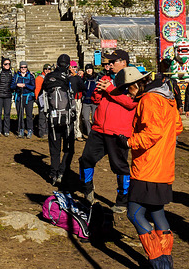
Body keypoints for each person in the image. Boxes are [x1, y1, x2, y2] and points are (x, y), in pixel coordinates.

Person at [117, 67, 184, 269]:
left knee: (135, 214)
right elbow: (177, 127)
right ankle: (166, 265)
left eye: (128, 90)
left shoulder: (149, 100)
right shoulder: (167, 97)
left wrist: (128, 142)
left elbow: (152, 133)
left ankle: (159, 268)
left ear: (136, 84)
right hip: (164, 166)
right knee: (157, 213)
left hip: (147, 168)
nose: (129, 95)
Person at [77, 49, 138, 212]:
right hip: (98, 128)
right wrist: (98, 92)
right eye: (108, 63)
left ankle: (122, 201)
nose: (109, 65)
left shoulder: (134, 79)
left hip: (118, 132)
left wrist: (110, 90)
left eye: (113, 62)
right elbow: (98, 99)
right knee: (85, 160)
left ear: (123, 62)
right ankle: (87, 190)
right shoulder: (105, 78)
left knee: (120, 167)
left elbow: (132, 103)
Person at [41, 54, 81, 185]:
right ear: (69, 65)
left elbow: (41, 96)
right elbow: (83, 88)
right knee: (69, 148)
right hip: (68, 118)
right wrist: (74, 75)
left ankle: (53, 174)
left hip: (52, 118)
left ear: (57, 64)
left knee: (54, 148)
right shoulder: (71, 78)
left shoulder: (48, 77)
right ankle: (63, 171)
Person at [11, 61, 35, 138]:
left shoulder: (30, 76)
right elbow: (11, 86)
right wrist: (17, 85)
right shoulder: (16, 76)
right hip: (19, 97)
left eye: (25, 67)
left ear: (27, 68)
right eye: (22, 67)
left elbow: (33, 87)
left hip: (28, 97)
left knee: (29, 115)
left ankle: (29, 130)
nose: (23, 69)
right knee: (20, 114)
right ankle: (21, 129)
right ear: (20, 68)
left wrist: (25, 85)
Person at [0, 58, 14, 136]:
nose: (7, 65)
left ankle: (6, 130)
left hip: (8, 95)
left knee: (7, 114)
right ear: (2, 65)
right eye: (5, 64)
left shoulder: (12, 72)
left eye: (8, 64)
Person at [79, 64, 99, 139]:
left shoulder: (97, 77)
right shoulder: (83, 79)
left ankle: (95, 134)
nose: (88, 71)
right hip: (86, 101)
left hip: (94, 101)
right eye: (87, 69)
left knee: (94, 119)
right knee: (85, 118)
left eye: (89, 69)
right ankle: (89, 133)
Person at [35, 64, 51, 139]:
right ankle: (42, 132)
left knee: (49, 116)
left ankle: (48, 132)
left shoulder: (52, 77)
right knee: (42, 116)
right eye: (46, 69)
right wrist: (37, 98)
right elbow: (37, 89)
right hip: (42, 98)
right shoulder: (39, 78)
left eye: (49, 69)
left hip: (50, 99)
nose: (47, 70)